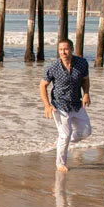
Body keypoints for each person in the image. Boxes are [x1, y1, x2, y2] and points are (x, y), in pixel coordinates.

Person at [39, 38, 92, 172]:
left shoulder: (82, 63)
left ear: (72, 49)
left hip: (76, 103)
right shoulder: (52, 67)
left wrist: (86, 93)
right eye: (61, 50)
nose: (63, 52)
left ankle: (61, 142)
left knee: (86, 131)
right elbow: (42, 86)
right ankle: (60, 164)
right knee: (65, 135)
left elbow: (85, 80)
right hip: (60, 105)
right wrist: (47, 105)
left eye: (66, 49)